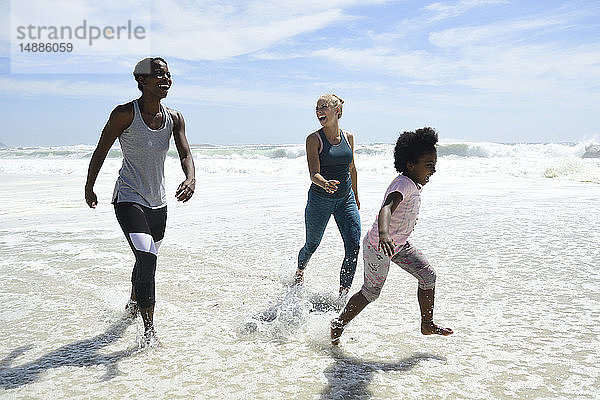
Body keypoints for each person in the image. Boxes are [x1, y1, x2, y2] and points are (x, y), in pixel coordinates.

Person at [85, 57, 195, 345]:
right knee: (147, 258)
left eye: (169, 75)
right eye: (159, 74)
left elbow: (185, 153)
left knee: (145, 259)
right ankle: (148, 331)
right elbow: (101, 149)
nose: (166, 79)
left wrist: (190, 178)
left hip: (158, 203)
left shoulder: (175, 118)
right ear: (142, 81)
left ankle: (134, 302)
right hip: (129, 198)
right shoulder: (124, 114)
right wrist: (90, 186)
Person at [330, 127, 453, 344]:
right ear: (410, 165)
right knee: (371, 292)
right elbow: (386, 208)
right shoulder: (403, 184)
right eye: (429, 165)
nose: (432, 170)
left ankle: (427, 323)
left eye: (434, 165)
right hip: (379, 246)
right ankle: (339, 324)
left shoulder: (412, 183)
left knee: (428, 276)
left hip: (398, 245)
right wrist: (384, 234)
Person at [295, 94, 361, 300]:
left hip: (346, 200)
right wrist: (325, 183)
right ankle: (299, 271)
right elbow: (313, 173)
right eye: (316, 108)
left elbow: (352, 168)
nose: (318, 111)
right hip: (320, 200)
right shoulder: (314, 139)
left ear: (337, 112)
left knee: (354, 245)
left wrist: (356, 197)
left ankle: (342, 297)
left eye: (323, 107)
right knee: (312, 244)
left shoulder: (349, 137)